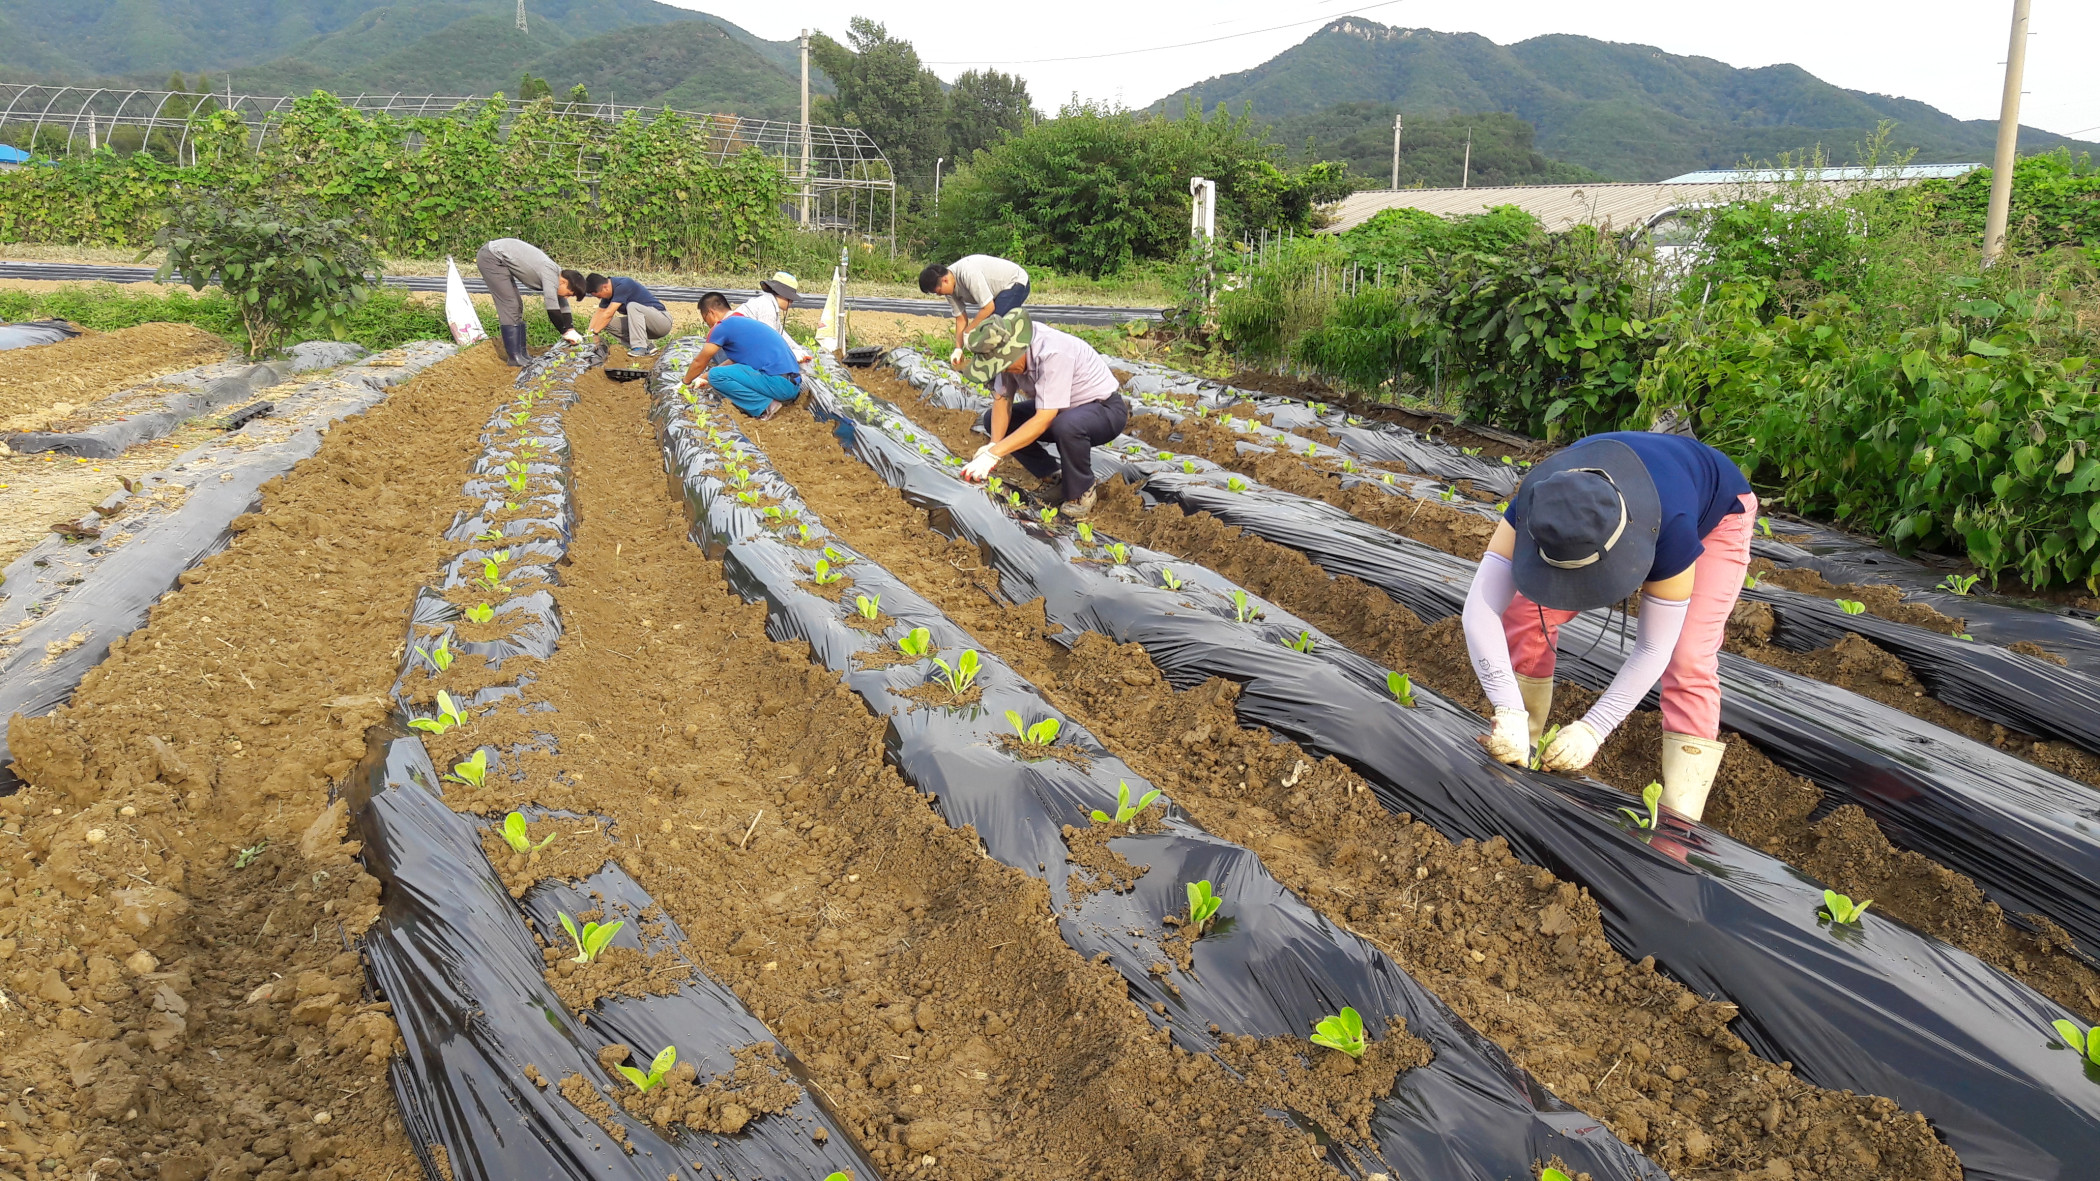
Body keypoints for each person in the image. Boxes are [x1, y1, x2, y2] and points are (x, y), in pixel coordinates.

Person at [1461, 432, 1755, 822]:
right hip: (1621, 489)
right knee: (1528, 612)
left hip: (1716, 509)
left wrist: (1593, 729)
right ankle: (1522, 748)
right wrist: (1508, 707)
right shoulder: (1539, 499)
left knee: (1688, 658)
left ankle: (1678, 827)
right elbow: (1479, 609)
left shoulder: (1674, 528)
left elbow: (1654, 647)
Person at [956, 310, 1126, 518]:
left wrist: (996, 454)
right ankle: (1057, 477)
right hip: (1063, 411)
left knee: (1066, 425)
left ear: (1017, 350)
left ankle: (1082, 490)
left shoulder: (1053, 353)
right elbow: (1003, 400)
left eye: (1005, 365)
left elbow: (1044, 418)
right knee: (993, 419)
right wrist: (993, 444)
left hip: (1103, 410)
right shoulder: (1006, 356)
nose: (1004, 370)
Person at [681, 291, 804, 419]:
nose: (708, 325)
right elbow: (733, 361)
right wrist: (702, 378)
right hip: (792, 385)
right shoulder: (743, 321)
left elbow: (700, 361)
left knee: (716, 376)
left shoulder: (723, 327)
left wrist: (684, 383)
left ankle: (765, 406)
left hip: (779, 384)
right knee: (719, 372)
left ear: (711, 312)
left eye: (705, 318)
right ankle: (769, 401)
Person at [475, 238, 583, 366]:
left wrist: (571, 328)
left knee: (517, 305)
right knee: (510, 305)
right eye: (569, 294)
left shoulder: (557, 275)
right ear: (564, 282)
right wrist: (565, 332)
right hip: (491, 257)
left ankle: (522, 354)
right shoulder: (551, 274)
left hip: (499, 257)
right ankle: (515, 357)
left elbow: (563, 305)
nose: (567, 297)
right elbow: (552, 309)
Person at [920, 255, 1029, 362]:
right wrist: (958, 349)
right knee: (988, 331)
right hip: (996, 292)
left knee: (995, 327)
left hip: (1014, 281)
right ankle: (991, 365)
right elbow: (961, 318)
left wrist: (969, 331)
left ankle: (1017, 360)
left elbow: (988, 307)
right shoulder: (948, 291)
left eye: (939, 292)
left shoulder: (968, 273)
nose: (939, 295)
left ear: (945, 280)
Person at [583, 272, 672, 357]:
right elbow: (599, 313)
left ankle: (640, 347)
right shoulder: (608, 294)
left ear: (605, 287)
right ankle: (648, 347)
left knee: (632, 306)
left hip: (662, 322)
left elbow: (609, 313)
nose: (599, 298)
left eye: (599, 296)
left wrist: (595, 332)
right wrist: (588, 336)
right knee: (607, 323)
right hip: (645, 325)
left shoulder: (624, 284)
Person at [731, 272, 812, 364]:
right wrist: (793, 354)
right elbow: (770, 340)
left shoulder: (770, 304)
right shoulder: (767, 306)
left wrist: (798, 349)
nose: (792, 302)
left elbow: (780, 334)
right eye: (791, 298)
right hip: (732, 348)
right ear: (783, 294)